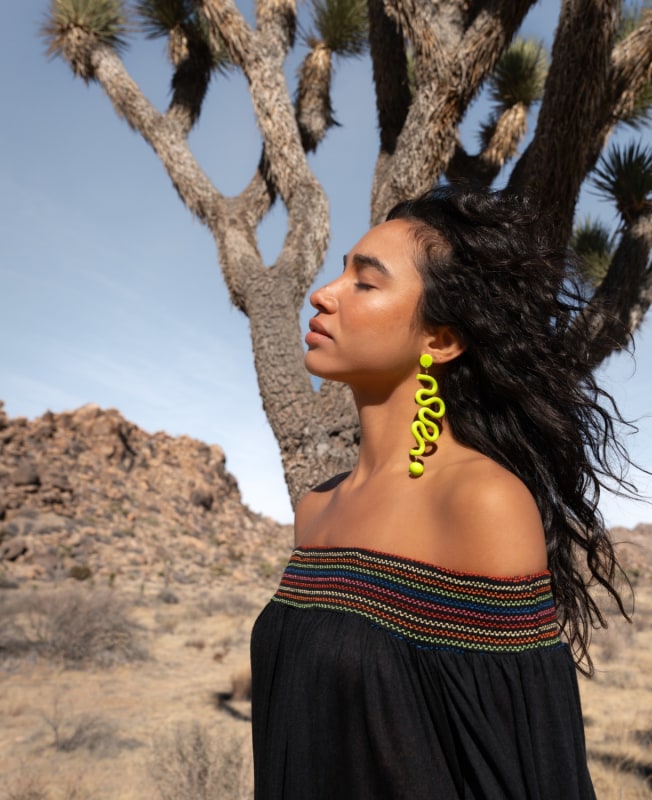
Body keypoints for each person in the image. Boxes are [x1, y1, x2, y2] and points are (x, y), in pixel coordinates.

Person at [250, 186, 632, 799]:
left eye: (365, 283)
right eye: (341, 271)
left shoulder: (482, 502)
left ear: (441, 341)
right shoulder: (316, 509)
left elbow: (534, 772)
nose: (322, 293)